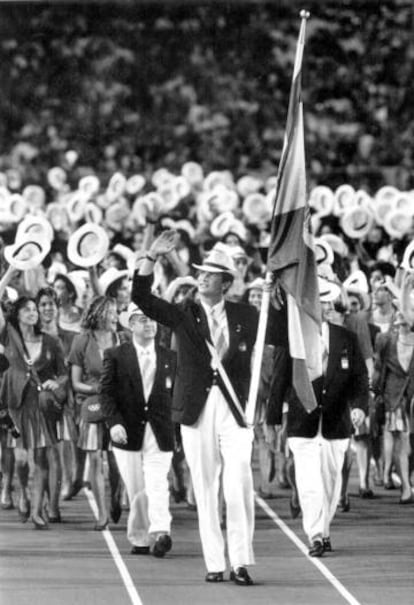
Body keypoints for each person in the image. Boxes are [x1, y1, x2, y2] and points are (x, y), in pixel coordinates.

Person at [132, 230, 258, 586]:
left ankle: (241, 561)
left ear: (226, 282)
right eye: (200, 271)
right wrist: (150, 256)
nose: (202, 276)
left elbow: (278, 334)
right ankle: (216, 562)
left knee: (238, 484)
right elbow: (141, 297)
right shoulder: (184, 313)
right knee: (204, 487)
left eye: (211, 273)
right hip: (196, 409)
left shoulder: (246, 315)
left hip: (235, 410)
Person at [267, 278, 369, 557]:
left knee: (332, 482)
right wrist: (272, 418)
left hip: (337, 423)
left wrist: (360, 406)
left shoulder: (346, 338)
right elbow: (279, 378)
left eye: (326, 302)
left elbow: (360, 378)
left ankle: (323, 530)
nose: (321, 306)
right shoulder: (294, 336)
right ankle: (315, 535)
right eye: (317, 301)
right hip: (303, 423)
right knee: (309, 482)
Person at [100, 303, 176, 556]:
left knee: (157, 483)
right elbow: (106, 394)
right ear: (130, 325)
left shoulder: (170, 357)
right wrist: (114, 423)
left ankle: (161, 532)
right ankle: (141, 537)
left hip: (160, 431)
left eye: (152, 319)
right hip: (128, 431)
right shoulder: (115, 355)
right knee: (136, 487)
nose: (149, 324)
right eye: (142, 319)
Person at [0, 296, 68, 528]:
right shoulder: (8, 335)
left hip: (39, 407)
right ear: (16, 314)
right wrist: (11, 271)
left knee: (41, 459)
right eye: (27, 309)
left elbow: (64, 373)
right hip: (15, 405)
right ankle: (24, 494)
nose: (33, 312)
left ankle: (38, 511)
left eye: (34, 309)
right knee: (20, 460)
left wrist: (56, 383)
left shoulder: (51, 341)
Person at [68, 296, 123, 529]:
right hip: (91, 404)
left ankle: (116, 498)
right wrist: (96, 388)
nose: (116, 317)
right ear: (100, 314)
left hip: (117, 405)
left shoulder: (122, 339)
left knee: (115, 461)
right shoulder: (81, 341)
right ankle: (101, 514)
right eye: (112, 312)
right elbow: (76, 382)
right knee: (94, 458)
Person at [372, 310, 414, 502]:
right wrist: (376, 394)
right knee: (402, 441)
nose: (403, 316)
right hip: (395, 398)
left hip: (411, 396)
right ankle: (406, 486)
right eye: (400, 313)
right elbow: (379, 369)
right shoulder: (386, 340)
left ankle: (400, 477)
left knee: (406, 443)